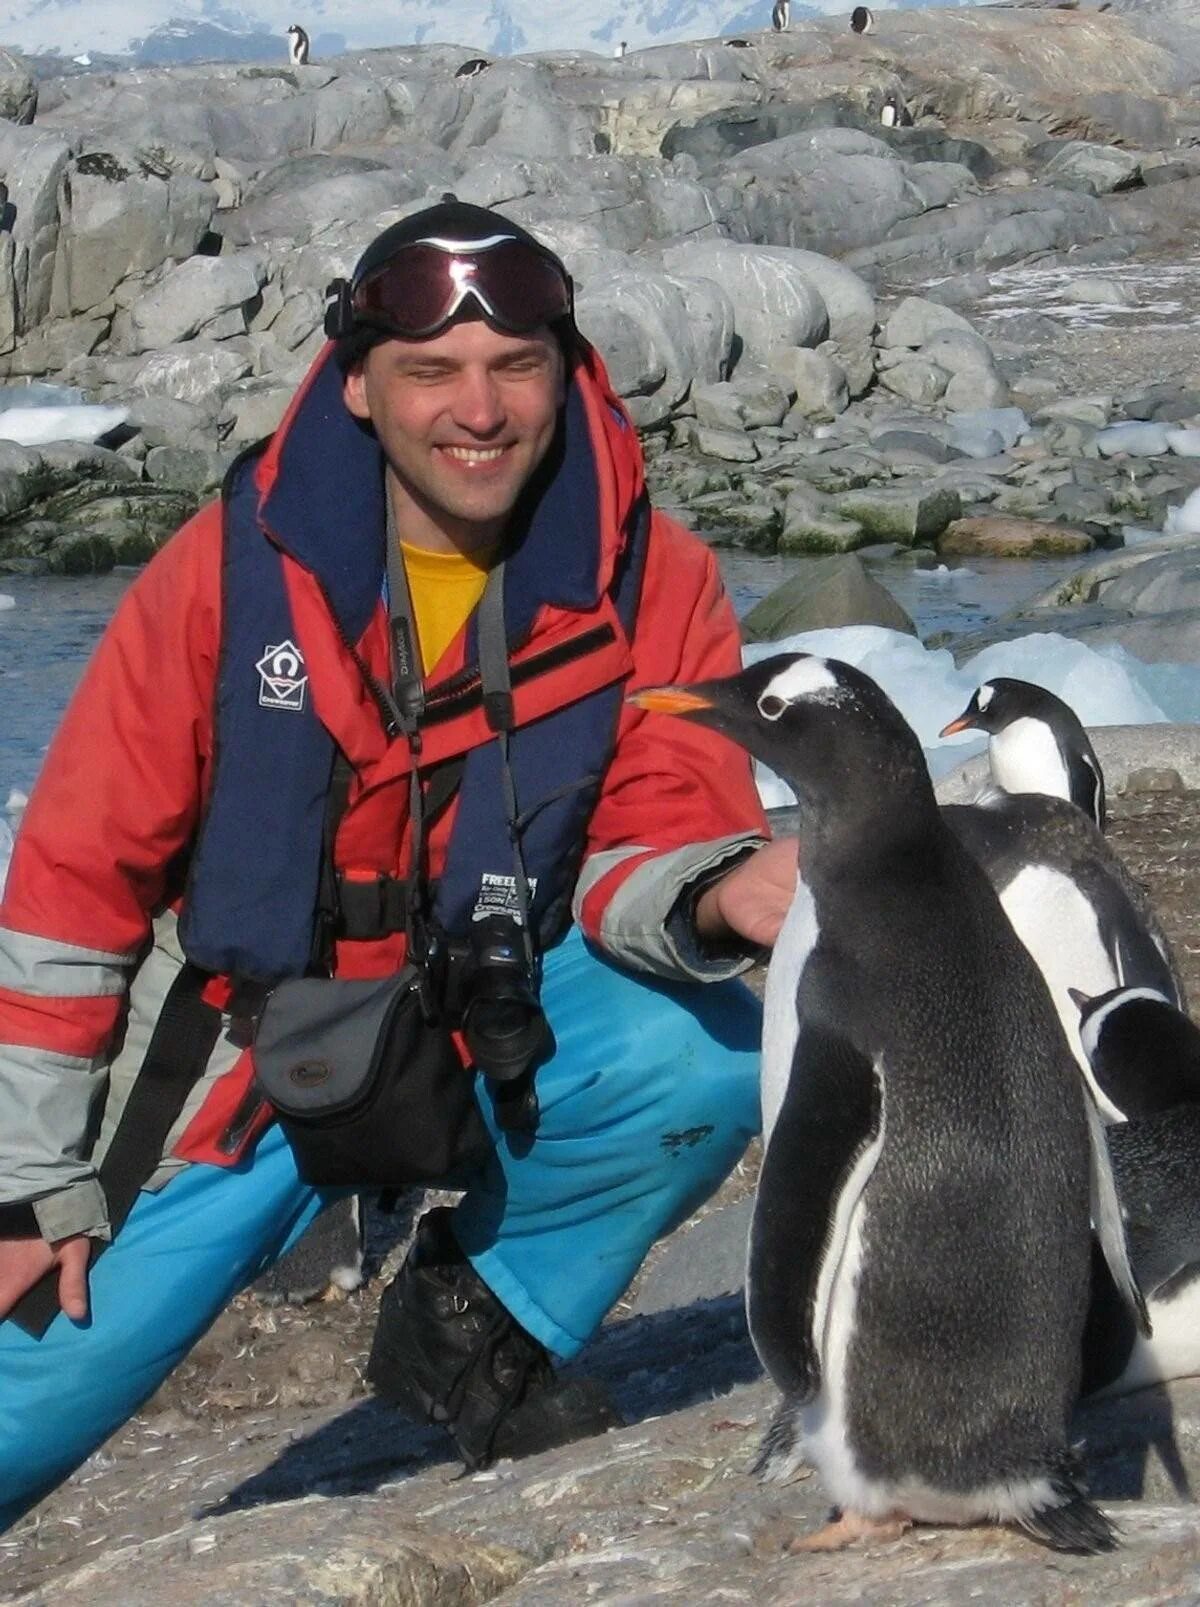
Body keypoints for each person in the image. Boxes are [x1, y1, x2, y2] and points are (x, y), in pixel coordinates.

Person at [0, 198, 799, 1526]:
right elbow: (76, 882)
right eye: (431, 371)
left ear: (567, 371)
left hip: (489, 1015)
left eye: (514, 368)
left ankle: (471, 1320)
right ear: (359, 385)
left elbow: (655, 825)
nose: (477, 412)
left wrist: (717, 893)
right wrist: (27, 1178)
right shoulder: (230, 570)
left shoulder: (656, 579)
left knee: (711, 1050)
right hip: (240, 1061)